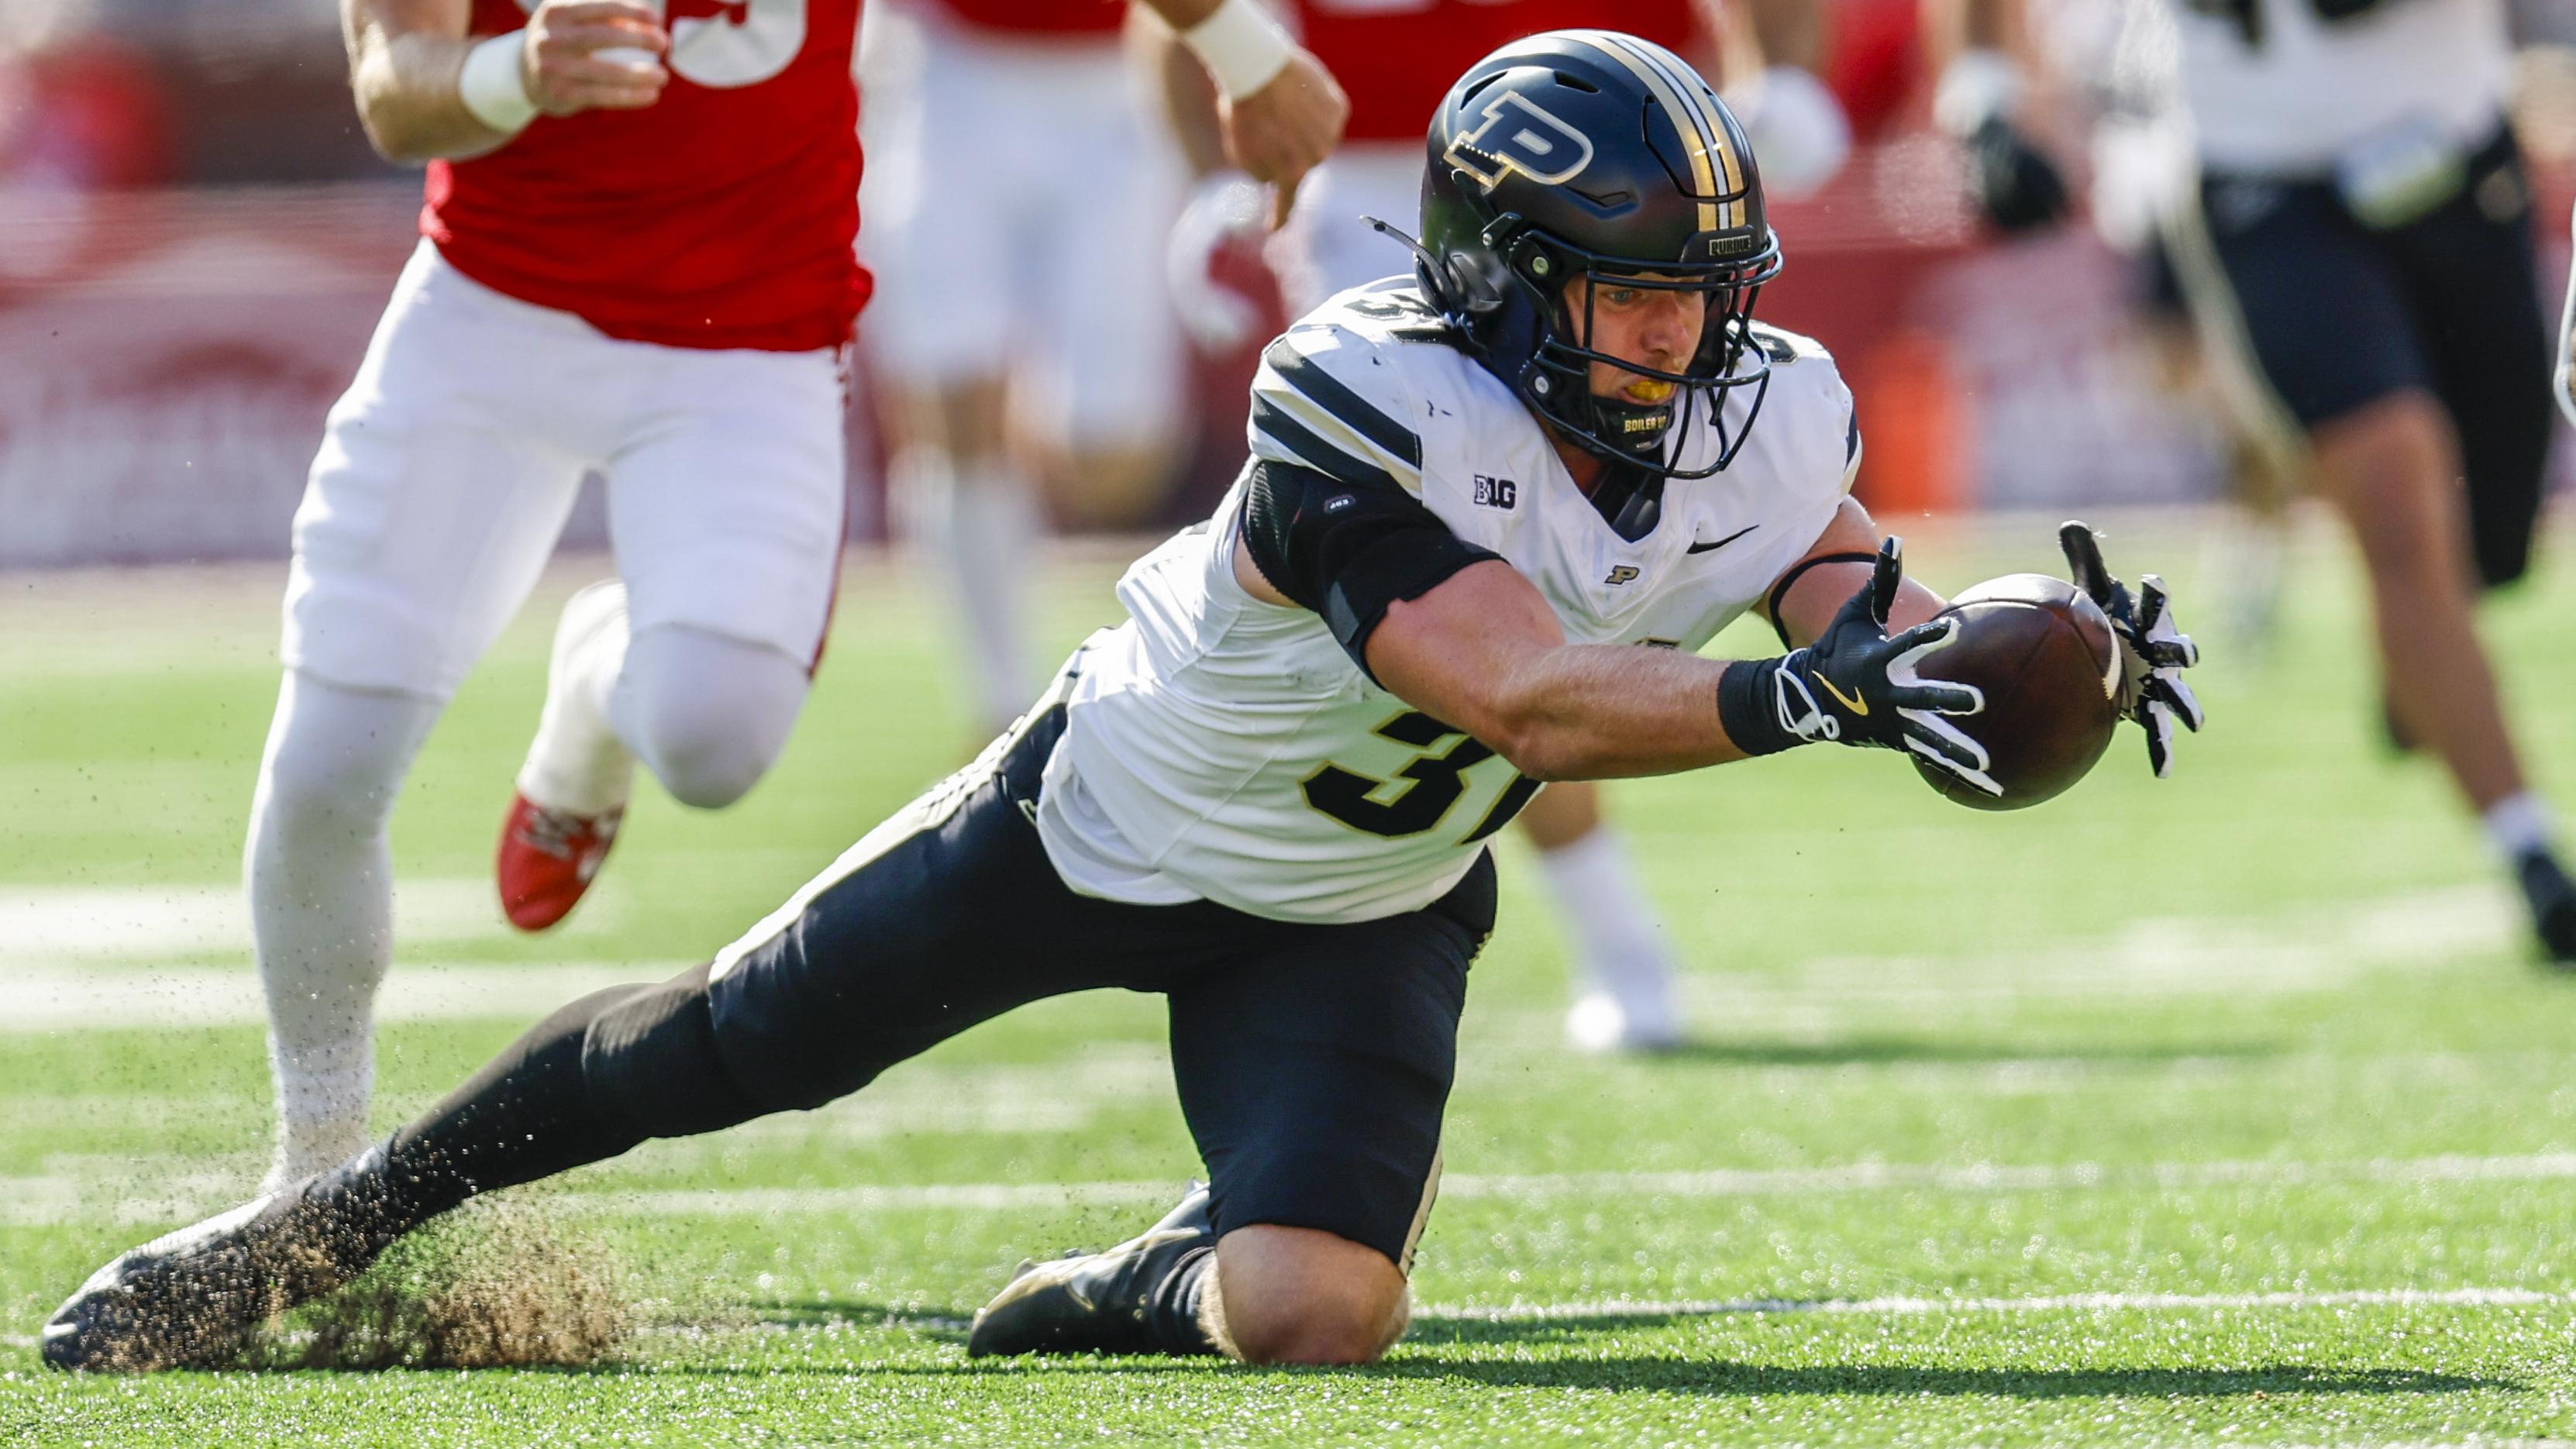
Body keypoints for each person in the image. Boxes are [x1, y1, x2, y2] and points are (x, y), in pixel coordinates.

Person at [45, 30, 2196, 1375]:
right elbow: (1524, 694)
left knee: (1316, 1316)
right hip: (1110, 811)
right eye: (1636, 288)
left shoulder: (1752, 406)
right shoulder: (1363, 394)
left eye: (1705, 293)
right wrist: (1810, 709)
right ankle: (315, 1223)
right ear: (1502, 271)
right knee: (728, 1046)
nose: (1684, 338)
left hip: (1359, 900)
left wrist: (1982, 655)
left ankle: (1143, 1271)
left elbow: (1843, 587)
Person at [250, 0, 1353, 1193]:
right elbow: (396, 92)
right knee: (327, 764)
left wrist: (1245, 50)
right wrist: (518, 68)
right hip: (488, 319)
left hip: (744, 336)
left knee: (711, 737)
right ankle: (311, 1175)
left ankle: (595, 682)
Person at [1157, 1, 1851, 1054]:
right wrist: (1216, 135)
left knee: (1581, 555)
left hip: (1630, 199)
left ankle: (1616, 942)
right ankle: (1615, 938)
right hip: (1395, 191)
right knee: (1484, 601)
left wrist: (1775, 68)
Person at [1934, 0, 2575, 965]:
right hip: (2263, 186)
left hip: (2458, 154)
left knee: (2488, 546)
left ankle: (2424, 666)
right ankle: (2531, 856)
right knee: (2397, 505)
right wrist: (1982, 99)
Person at [862, 0, 1190, 739]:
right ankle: (1001, 705)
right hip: (949, 70)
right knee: (950, 397)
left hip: (1116, 72)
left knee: (1112, 459)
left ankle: (1028, 418)